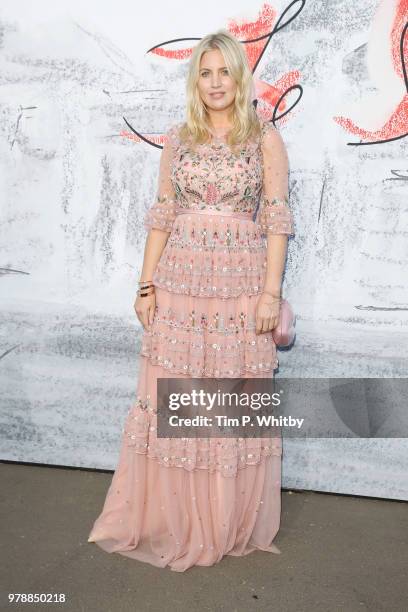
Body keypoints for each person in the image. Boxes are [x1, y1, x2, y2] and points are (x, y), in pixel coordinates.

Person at [87, 28, 295, 572]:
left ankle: (222, 521)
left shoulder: (263, 139)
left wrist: (271, 293)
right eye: (205, 73)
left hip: (240, 292)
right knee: (176, 404)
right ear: (194, 81)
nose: (215, 82)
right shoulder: (179, 138)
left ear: (239, 76)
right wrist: (145, 284)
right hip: (180, 289)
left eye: (224, 71)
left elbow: (276, 221)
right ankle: (176, 517)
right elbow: (162, 214)